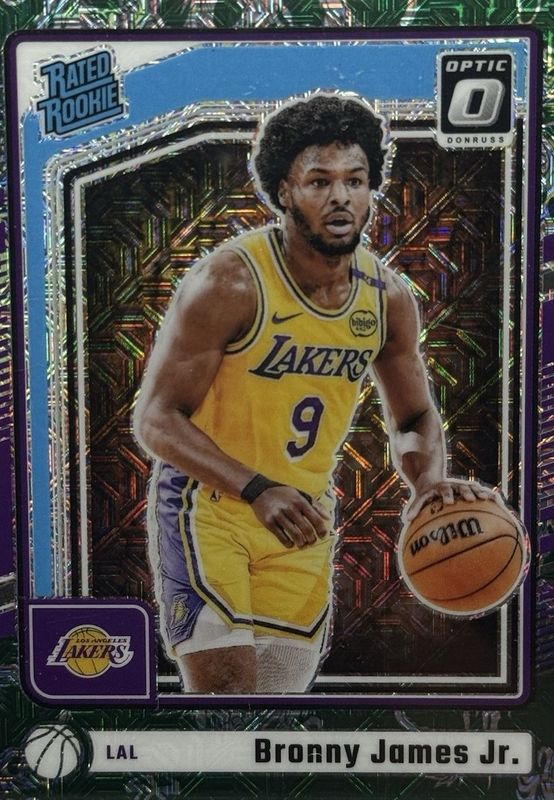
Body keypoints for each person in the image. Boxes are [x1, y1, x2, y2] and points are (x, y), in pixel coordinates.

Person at [133, 93, 493, 694]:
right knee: (227, 704)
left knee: (279, 713)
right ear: (284, 191)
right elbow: (156, 419)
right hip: (208, 510)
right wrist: (256, 488)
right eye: (320, 181)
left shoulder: (387, 298)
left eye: (355, 180)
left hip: (302, 520)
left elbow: (413, 416)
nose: (340, 197)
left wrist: (428, 482)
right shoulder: (229, 281)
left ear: (372, 190)